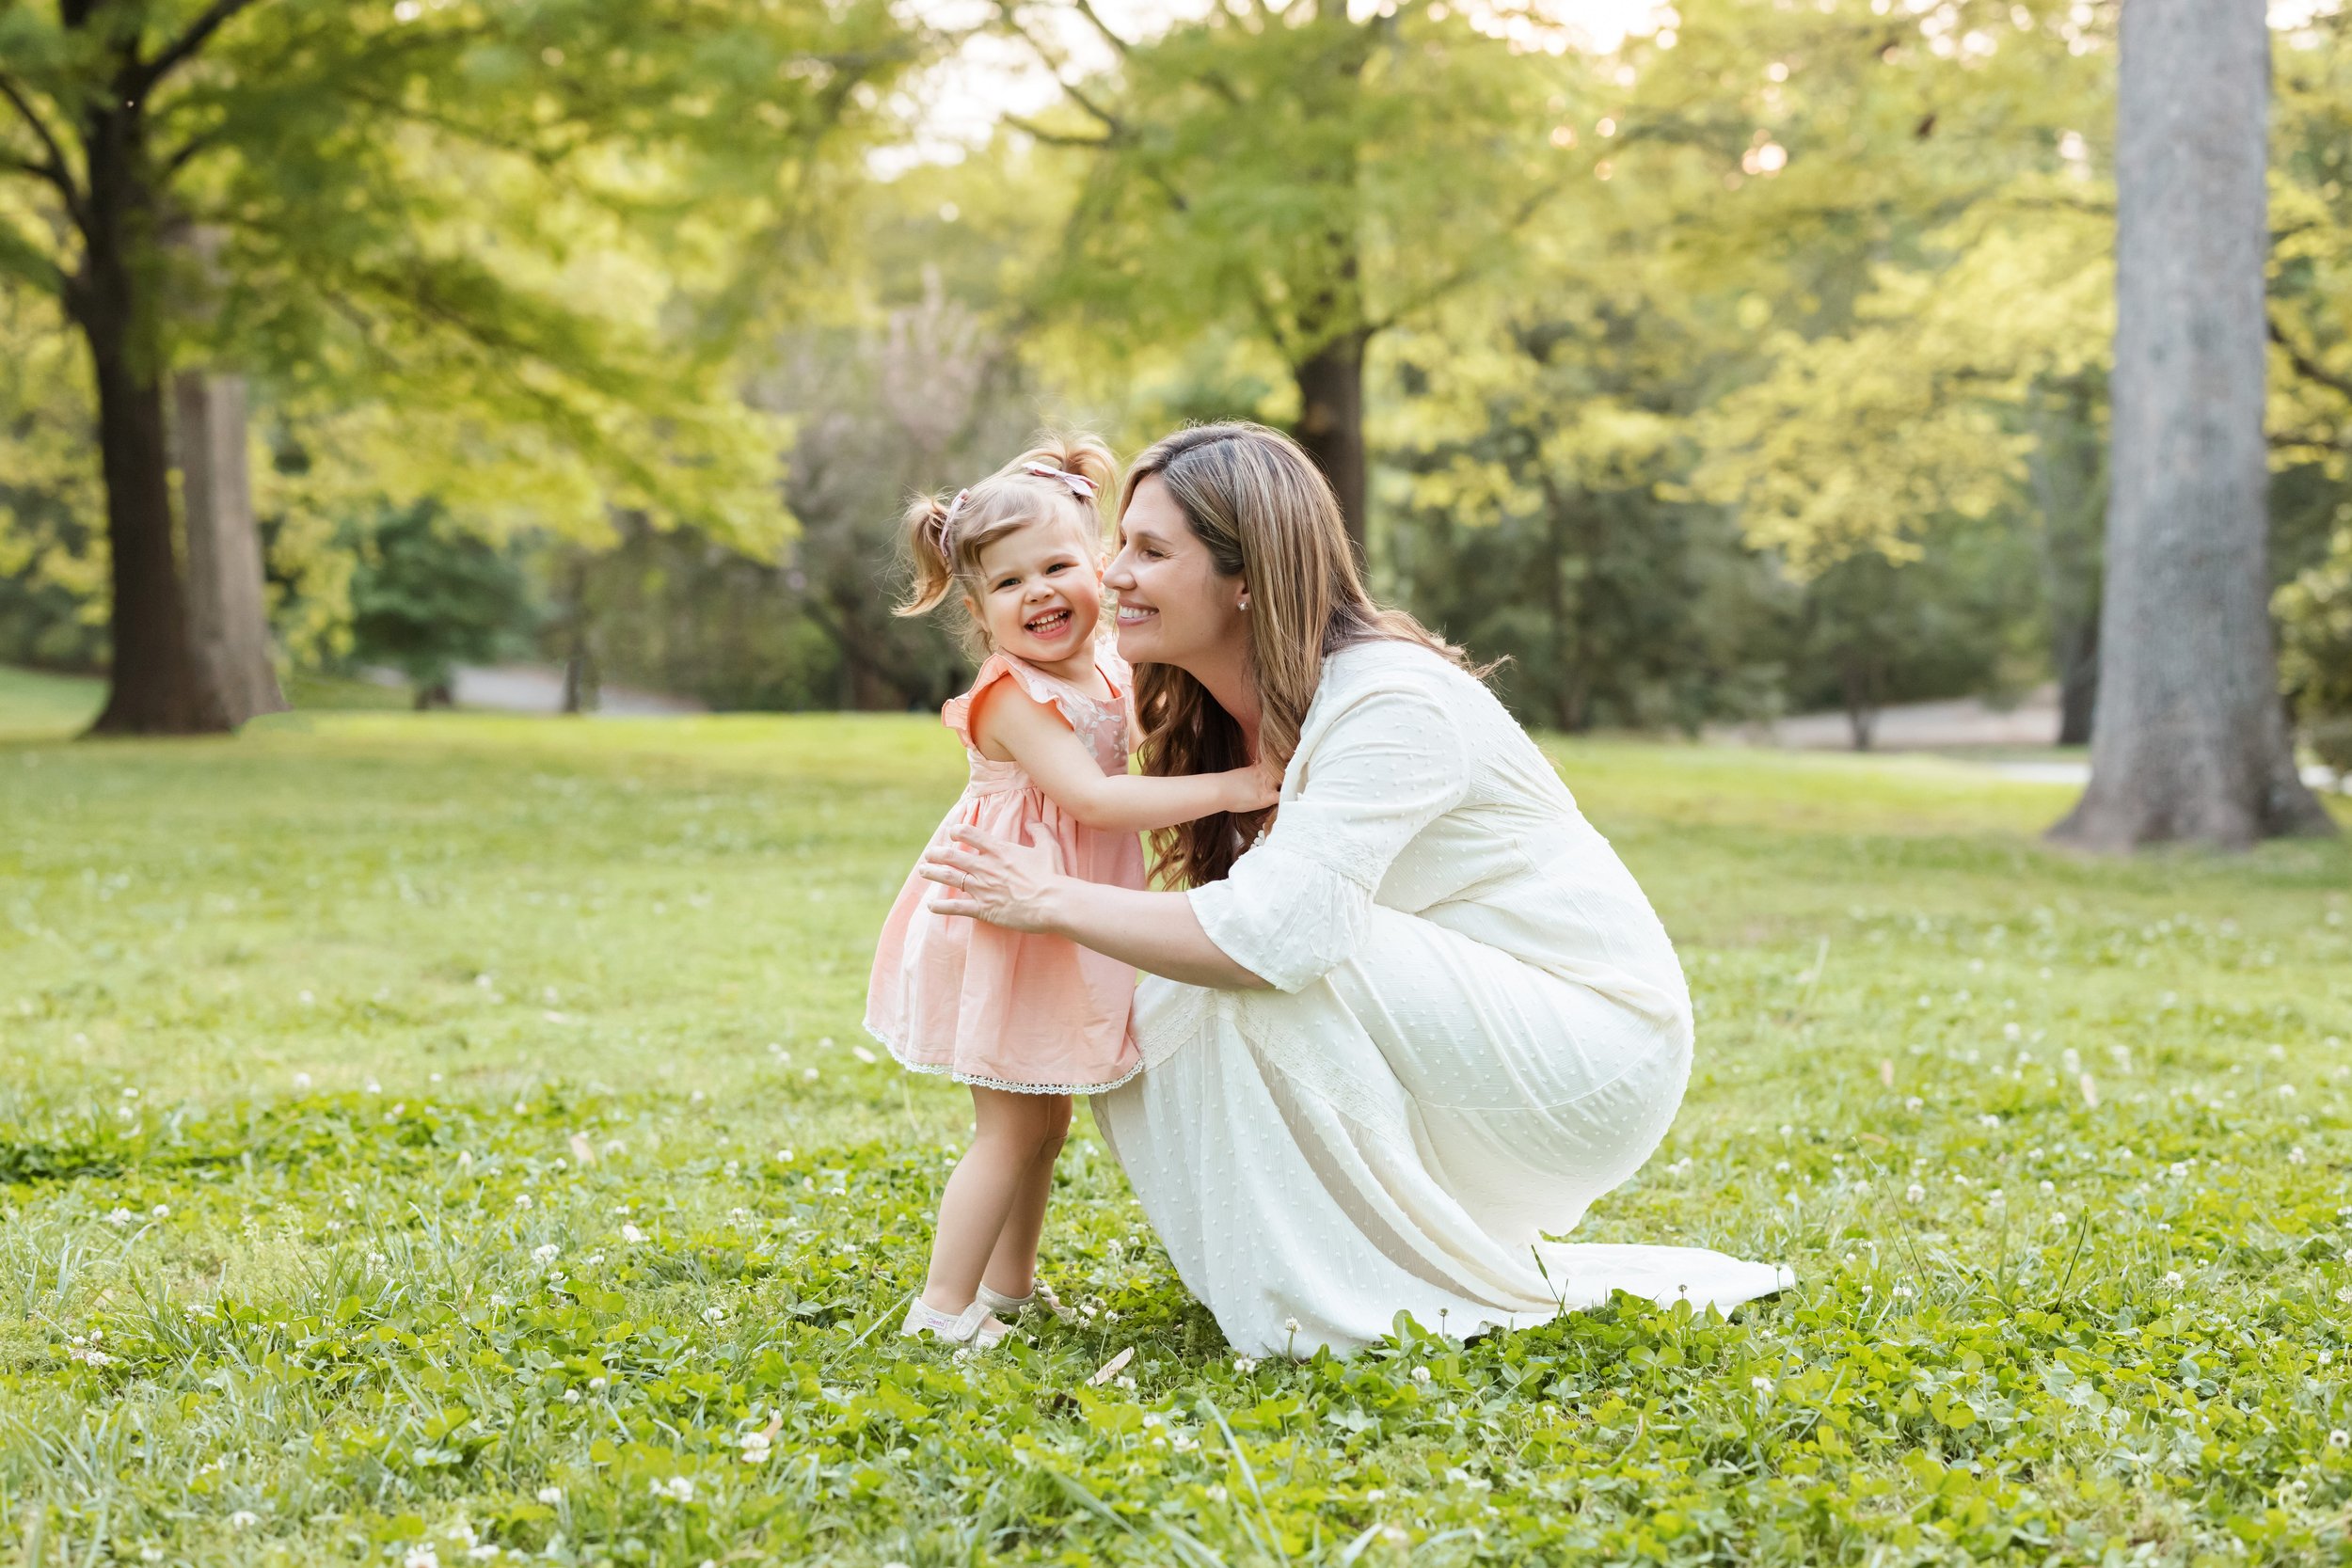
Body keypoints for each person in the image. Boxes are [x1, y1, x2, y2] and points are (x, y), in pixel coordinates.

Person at [920, 422, 1790, 1357]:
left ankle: (1331, 1301)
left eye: (1150, 549)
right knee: (1161, 980)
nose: (1114, 572)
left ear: (1246, 573)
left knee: (1240, 950)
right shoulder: (1222, 711)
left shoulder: (1388, 700)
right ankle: (1305, 1269)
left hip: (1592, 1055)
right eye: (1119, 542)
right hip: (1447, 1026)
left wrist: (1046, 898)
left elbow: (1282, 937)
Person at [866, 436, 1279, 1350]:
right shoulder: (1010, 693)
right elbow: (1092, 796)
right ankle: (940, 1308)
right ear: (977, 609)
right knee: (1009, 1127)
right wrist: (1235, 786)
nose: (1039, 592)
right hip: (1004, 916)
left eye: (1057, 565)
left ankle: (1008, 1288)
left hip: (1058, 909)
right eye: (1009, 584)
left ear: (1099, 566)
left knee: (1045, 1120)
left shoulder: (1103, 665)